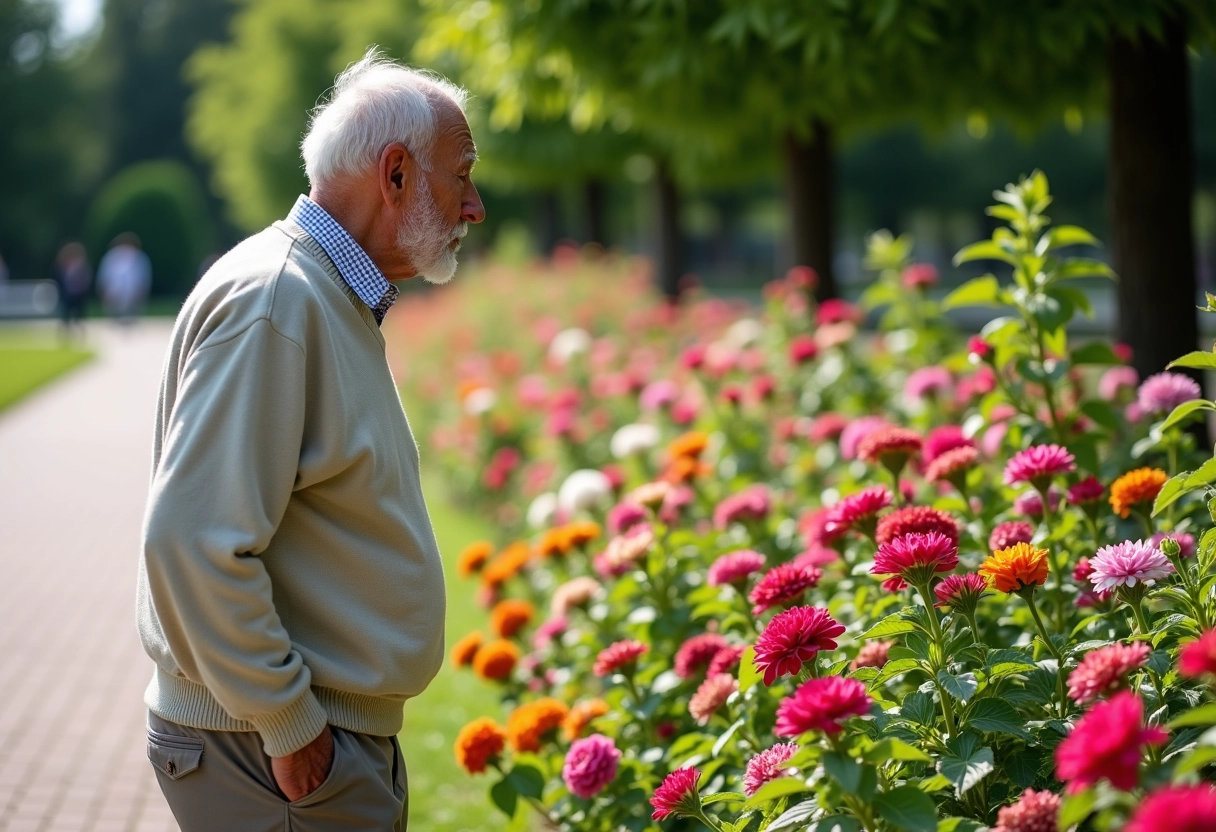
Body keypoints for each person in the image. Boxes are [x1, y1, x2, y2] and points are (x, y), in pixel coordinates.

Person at [136, 48, 483, 831]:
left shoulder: (317, 294)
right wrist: (292, 727)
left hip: (290, 745)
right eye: (461, 174)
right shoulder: (280, 300)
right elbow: (192, 540)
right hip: (274, 754)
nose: (475, 206)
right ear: (395, 175)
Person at [97, 232, 151, 323]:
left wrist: (142, 290)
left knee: (130, 314)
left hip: (132, 290)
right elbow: (105, 274)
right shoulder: (111, 256)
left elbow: (143, 276)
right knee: (114, 313)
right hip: (114, 290)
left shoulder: (139, 257)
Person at [53, 241, 92, 335]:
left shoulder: (81, 266)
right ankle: (66, 334)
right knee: (66, 317)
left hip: (78, 295)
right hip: (67, 295)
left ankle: (80, 334)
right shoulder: (63, 266)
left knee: (79, 317)